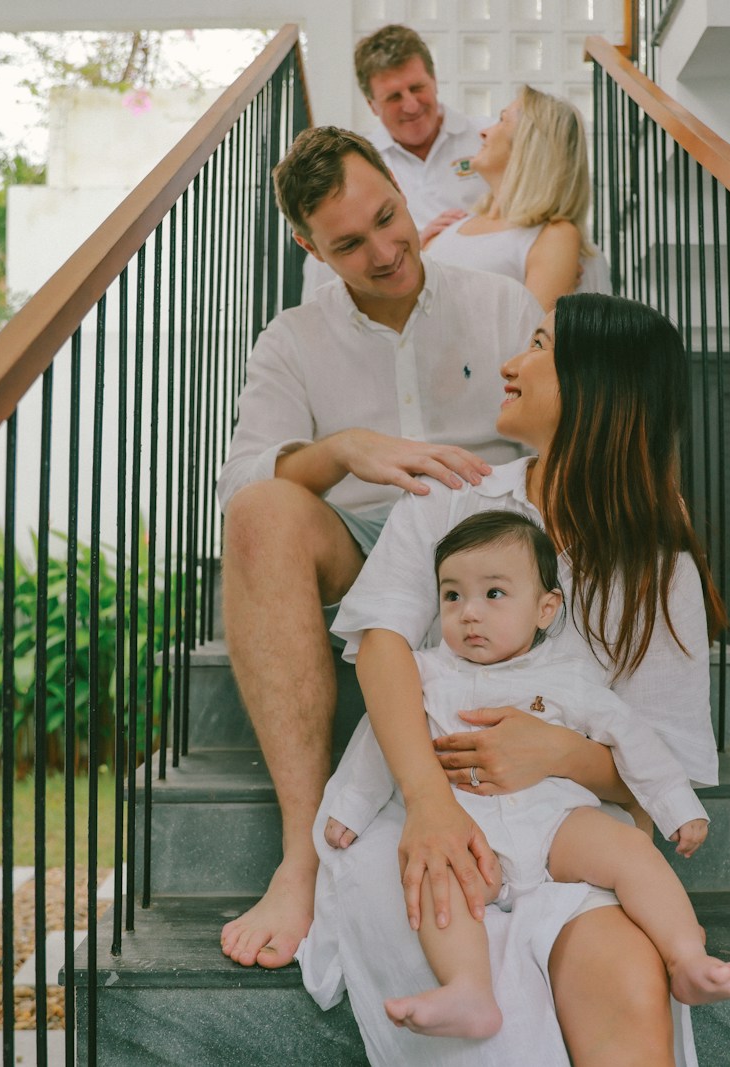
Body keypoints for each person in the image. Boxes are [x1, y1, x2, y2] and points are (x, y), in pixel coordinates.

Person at [300, 293, 728, 1065]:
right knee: (487, 1006)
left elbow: (667, 768)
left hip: (570, 835)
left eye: (538, 345)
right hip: (430, 816)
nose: (510, 362)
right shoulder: (454, 498)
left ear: (598, 390)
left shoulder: (661, 573)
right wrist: (430, 802)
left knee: (633, 982)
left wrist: (556, 751)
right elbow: (383, 645)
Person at [215, 125, 545, 972]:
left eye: (389, 218)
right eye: (349, 244)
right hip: (362, 545)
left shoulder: (503, 304)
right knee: (260, 513)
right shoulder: (290, 339)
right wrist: (346, 449)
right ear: (308, 246)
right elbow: (245, 475)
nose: (385, 251)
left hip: (496, 543)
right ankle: (300, 857)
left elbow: (567, 426)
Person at [320, 510, 730, 1040]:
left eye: (494, 594)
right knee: (444, 883)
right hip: (470, 829)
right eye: (452, 596)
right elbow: (378, 743)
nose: (469, 613)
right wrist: (350, 808)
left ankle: (687, 958)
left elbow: (634, 740)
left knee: (629, 851)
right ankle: (468, 989)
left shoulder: (567, 677)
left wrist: (678, 808)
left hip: (554, 825)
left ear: (545, 608)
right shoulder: (424, 673)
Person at [302, 25, 490, 302]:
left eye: (417, 88)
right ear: (372, 105)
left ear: (434, 81)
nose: (411, 105)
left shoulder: (489, 138)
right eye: (394, 97)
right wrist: (419, 245)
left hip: (482, 287)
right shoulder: (356, 166)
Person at [422, 85, 610, 310]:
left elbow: (535, 340)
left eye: (502, 120)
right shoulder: (453, 226)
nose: (483, 132)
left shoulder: (554, 236)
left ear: (528, 144)